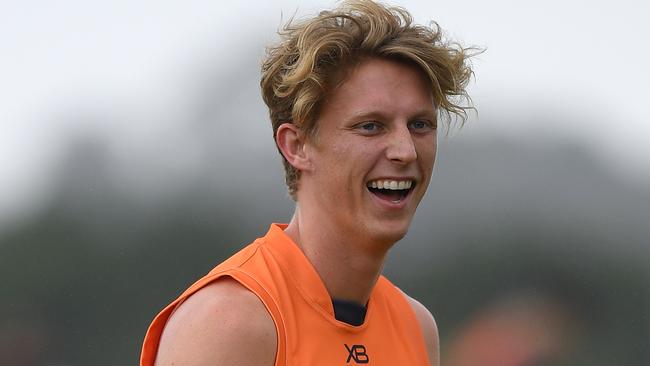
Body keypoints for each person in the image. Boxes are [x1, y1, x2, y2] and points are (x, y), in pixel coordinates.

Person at [140, 1, 475, 365]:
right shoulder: (229, 322)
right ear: (296, 146)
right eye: (370, 126)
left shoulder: (417, 327)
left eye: (419, 125)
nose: (405, 151)